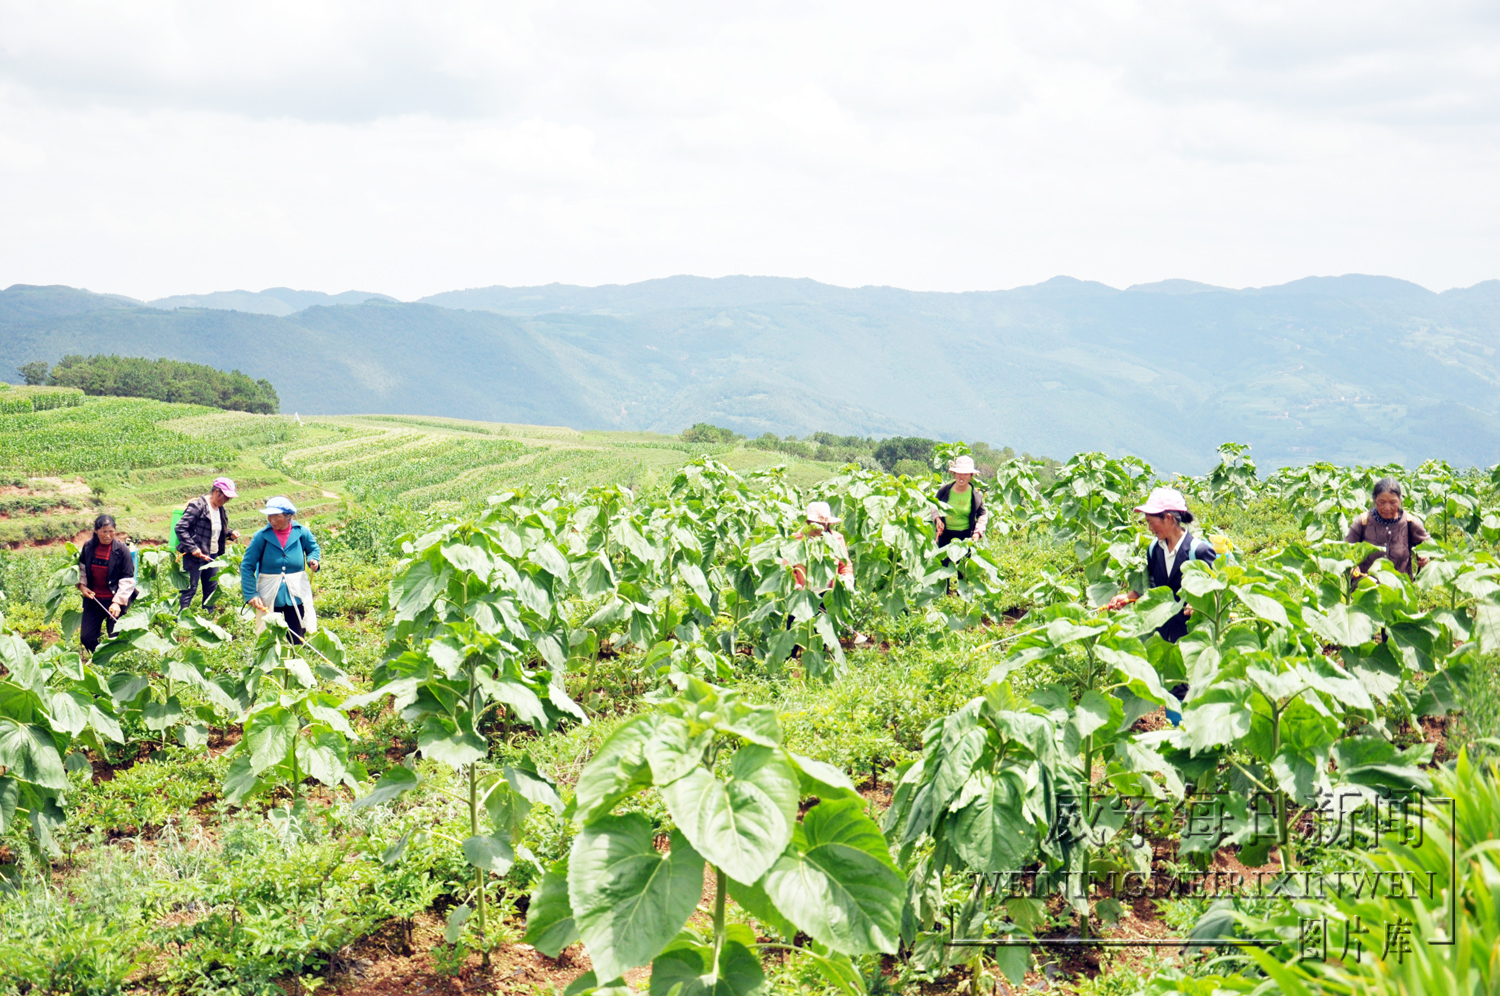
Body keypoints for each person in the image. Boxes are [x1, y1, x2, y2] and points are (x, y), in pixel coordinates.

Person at [1107, 487, 1217, 725]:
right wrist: (1127, 597)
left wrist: (1197, 602)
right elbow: (1153, 588)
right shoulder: (1153, 550)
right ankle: (1179, 737)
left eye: (1151, 521)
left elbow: (1214, 590)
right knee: (1174, 690)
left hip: (1194, 638)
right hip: (1167, 635)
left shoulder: (1199, 550)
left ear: (1168, 518)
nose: (1149, 527)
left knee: (1197, 692)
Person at [240, 496, 321, 644]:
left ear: (288, 516)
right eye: (269, 516)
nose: (271, 520)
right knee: (269, 635)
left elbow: (313, 549)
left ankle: (294, 662)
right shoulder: (261, 537)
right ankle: (270, 666)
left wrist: (313, 560)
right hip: (270, 592)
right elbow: (247, 565)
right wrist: (251, 593)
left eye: (276, 516)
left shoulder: (302, 532)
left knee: (296, 634)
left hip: (295, 592)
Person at [175, 476, 240, 611]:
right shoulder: (198, 506)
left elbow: (215, 529)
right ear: (217, 492)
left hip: (212, 556)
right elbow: (180, 528)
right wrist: (192, 548)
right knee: (190, 589)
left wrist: (230, 533)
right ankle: (180, 619)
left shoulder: (220, 509)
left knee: (211, 590)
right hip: (195, 556)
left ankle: (208, 621)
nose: (227, 501)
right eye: (226, 497)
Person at [1345, 478, 1430, 579]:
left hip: (1399, 588)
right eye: (1382, 502)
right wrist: (1352, 567)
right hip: (1366, 589)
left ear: (1400, 500)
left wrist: (1425, 557)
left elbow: (1430, 547)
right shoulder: (1363, 521)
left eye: (1393, 502)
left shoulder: (1409, 522)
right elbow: (1346, 549)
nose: (1387, 508)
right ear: (1375, 500)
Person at [76, 514, 136, 652]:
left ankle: (115, 664)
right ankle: (100, 658)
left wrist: (117, 602)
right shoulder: (88, 547)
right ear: (96, 531)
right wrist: (82, 587)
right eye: (104, 531)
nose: (108, 535)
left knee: (115, 636)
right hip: (94, 599)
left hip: (113, 600)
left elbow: (127, 578)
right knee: (87, 637)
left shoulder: (122, 550)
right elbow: (82, 569)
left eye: (111, 531)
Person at [786, 501, 855, 593]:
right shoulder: (796, 540)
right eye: (816, 523)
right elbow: (787, 567)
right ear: (809, 523)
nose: (820, 528)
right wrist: (796, 585)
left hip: (829, 593)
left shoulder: (836, 539)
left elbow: (845, 565)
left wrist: (847, 581)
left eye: (823, 524)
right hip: (804, 593)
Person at [931, 455, 989, 548]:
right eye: (959, 473)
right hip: (945, 535)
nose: (962, 476)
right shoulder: (945, 490)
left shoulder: (975, 495)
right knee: (943, 562)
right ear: (954, 474)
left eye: (966, 474)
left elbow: (982, 515)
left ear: (971, 475)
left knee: (961, 562)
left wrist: (978, 532)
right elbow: (934, 504)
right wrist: (937, 518)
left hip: (965, 537)